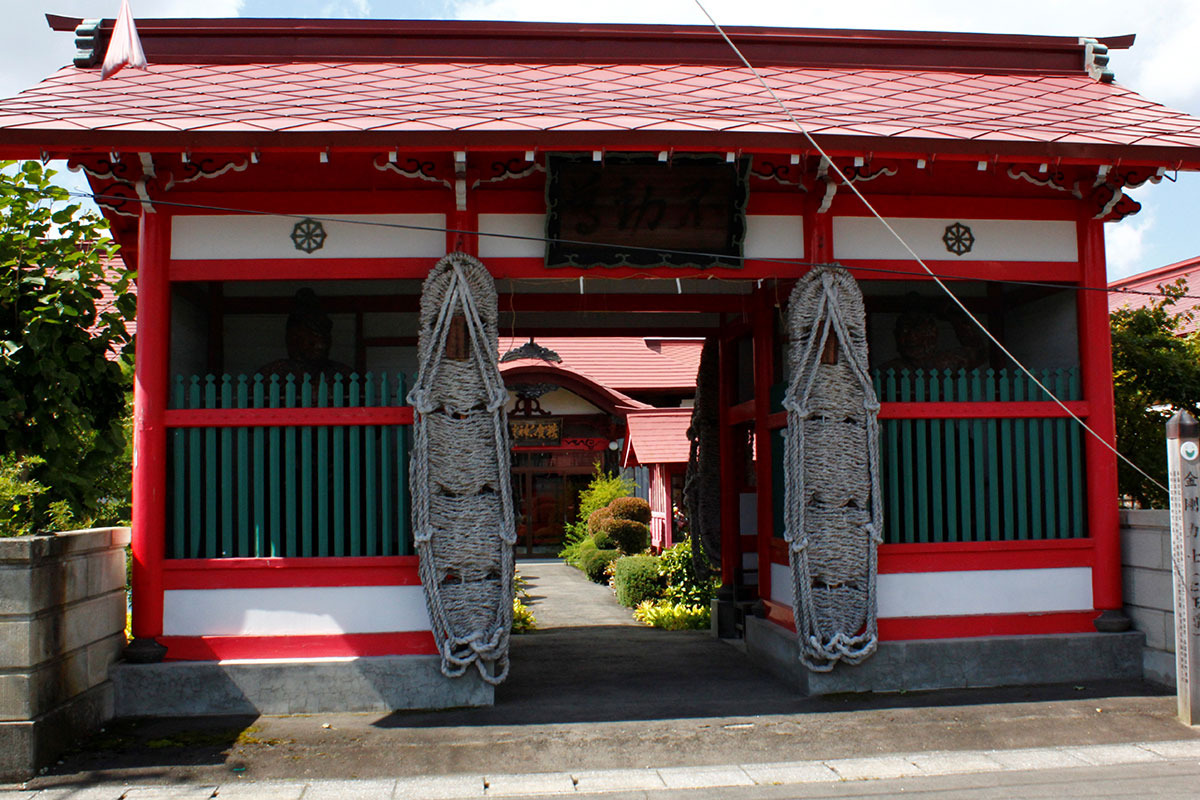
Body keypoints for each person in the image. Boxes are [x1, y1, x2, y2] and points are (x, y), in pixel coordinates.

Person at [257, 288, 354, 381]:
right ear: (293, 338)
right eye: (313, 338)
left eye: (325, 338)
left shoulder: (342, 375)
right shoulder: (274, 374)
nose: (321, 346)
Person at [880, 296, 988, 373]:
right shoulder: (890, 370)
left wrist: (955, 318)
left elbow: (979, 352)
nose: (912, 337)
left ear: (932, 333)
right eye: (905, 331)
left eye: (918, 330)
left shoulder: (948, 363)